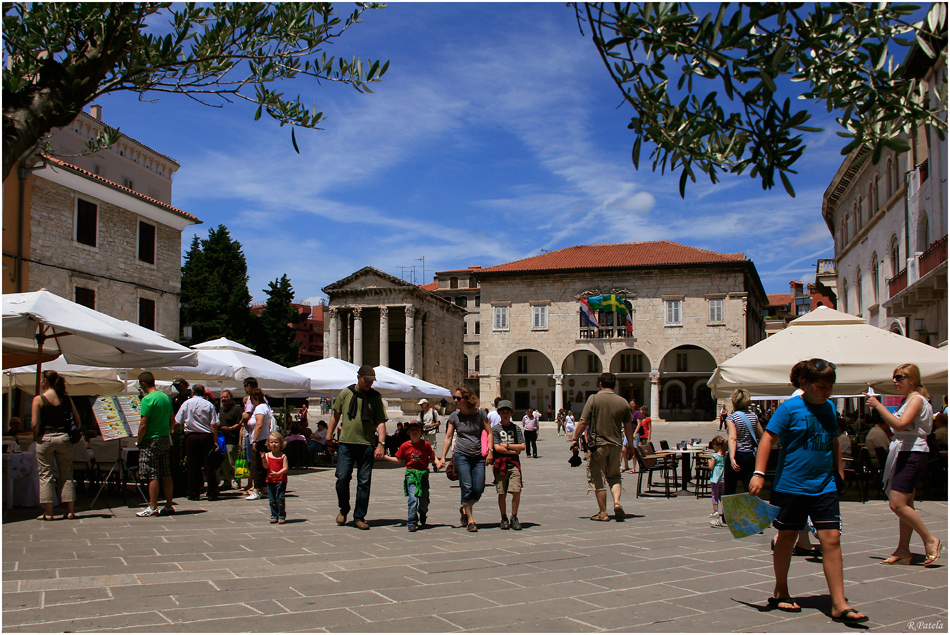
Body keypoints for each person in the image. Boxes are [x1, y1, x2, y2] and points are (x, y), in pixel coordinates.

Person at [749, 359, 868, 624]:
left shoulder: (828, 408)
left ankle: (839, 603)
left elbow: (833, 440)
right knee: (787, 536)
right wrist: (758, 472)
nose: (828, 391)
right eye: (822, 386)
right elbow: (768, 438)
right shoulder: (790, 408)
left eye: (830, 386)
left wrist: (839, 471)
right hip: (791, 484)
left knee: (832, 539)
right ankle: (781, 590)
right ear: (805, 384)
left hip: (823, 485)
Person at [865, 363, 942, 567]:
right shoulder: (908, 400)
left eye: (900, 378)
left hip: (913, 453)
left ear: (913, 380)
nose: (895, 381)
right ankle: (903, 549)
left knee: (897, 503)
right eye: (895, 377)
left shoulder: (916, 400)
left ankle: (930, 539)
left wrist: (879, 405)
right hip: (907, 452)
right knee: (906, 504)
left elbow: (900, 424)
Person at [328, 365, 388, 530]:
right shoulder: (346, 393)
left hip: (367, 445)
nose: (369, 383)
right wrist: (328, 436)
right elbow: (336, 415)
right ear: (358, 377)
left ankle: (359, 516)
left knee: (364, 482)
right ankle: (344, 508)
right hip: (346, 443)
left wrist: (381, 443)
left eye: (371, 381)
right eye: (366, 380)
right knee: (342, 478)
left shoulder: (375, 397)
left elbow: (381, 421)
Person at [571, 372, 634, 522]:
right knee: (614, 476)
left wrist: (575, 439)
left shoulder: (593, 399)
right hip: (616, 445)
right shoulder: (623, 402)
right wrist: (630, 446)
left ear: (600, 384)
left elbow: (583, 422)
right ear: (615, 385)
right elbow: (628, 427)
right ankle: (617, 503)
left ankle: (603, 512)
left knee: (597, 478)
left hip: (598, 445)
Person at [436, 386, 493, 532]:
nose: (455, 400)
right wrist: (443, 457)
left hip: (478, 455)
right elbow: (448, 437)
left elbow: (489, 432)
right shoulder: (454, 416)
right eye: (454, 398)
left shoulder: (480, 414)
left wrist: (491, 451)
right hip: (461, 455)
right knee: (466, 487)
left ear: (467, 399)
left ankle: (464, 508)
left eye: (458, 398)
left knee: (478, 488)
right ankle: (470, 520)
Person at [32, 370, 80, 521]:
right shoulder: (66, 399)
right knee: (67, 475)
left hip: (46, 438)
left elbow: (34, 423)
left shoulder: (39, 399)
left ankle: (48, 512)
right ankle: (70, 510)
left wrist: (36, 436)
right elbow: (77, 420)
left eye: (42, 379)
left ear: (45, 381)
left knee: (46, 475)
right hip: (64, 439)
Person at [136, 371, 176, 517]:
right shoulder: (166, 398)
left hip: (151, 438)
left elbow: (143, 425)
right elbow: (173, 421)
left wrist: (139, 440)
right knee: (166, 472)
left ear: (143, 384)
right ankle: (169, 505)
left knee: (152, 473)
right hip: (165, 437)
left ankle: (152, 506)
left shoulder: (147, 400)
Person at [382, 420, 435, 532]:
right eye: (412, 430)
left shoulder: (426, 444)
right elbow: (398, 459)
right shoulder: (405, 446)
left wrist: (438, 462)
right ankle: (412, 521)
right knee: (412, 499)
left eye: (417, 430)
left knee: (424, 499)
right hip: (411, 475)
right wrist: (384, 457)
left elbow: (433, 456)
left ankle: (423, 512)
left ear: (421, 432)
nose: (414, 432)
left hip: (423, 475)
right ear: (408, 433)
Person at [175, 384, 221, 501]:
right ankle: (212, 492)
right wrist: (215, 440)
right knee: (208, 465)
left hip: (191, 436)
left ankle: (193, 492)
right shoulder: (209, 404)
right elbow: (214, 424)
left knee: (192, 464)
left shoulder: (186, 403)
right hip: (206, 436)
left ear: (192, 393)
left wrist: (172, 431)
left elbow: (178, 421)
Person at [492, 400, 525, 530]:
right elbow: (496, 448)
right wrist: (513, 450)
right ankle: (504, 517)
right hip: (500, 464)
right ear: (499, 413)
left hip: (514, 464)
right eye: (502, 411)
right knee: (501, 492)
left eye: (507, 411)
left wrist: (506, 445)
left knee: (516, 490)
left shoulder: (516, 428)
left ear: (511, 413)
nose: (505, 414)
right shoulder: (495, 429)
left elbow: (522, 446)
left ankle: (514, 516)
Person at [724, 389, 762, 498]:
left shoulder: (732, 418)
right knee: (749, 488)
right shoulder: (754, 416)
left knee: (730, 489)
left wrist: (732, 458)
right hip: (750, 455)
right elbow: (762, 435)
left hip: (737, 453)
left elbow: (733, 438)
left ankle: (729, 514)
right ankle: (751, 511)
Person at [244, 388, 272, 501]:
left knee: (255, 465)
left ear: (255, 398)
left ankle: (256, 489)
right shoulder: (266, 406)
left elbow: (259, 424)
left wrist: (254, 440)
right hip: (263, 439)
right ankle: (264, 489)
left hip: (260, 440)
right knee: (262, 465)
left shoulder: (260, 407)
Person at [217, 390, 244, 491]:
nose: (223, 399)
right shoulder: (222, 409)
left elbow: (239, 424)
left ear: (230, 398)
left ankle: (237, 481)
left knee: (233, 462)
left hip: (232, 439)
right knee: (224, 463)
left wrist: (230, 428)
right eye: (222, 397)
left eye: (225, 397)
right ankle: (227, 481)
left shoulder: (236, 410)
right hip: (222, 440)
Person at [264, 432, 289, 524]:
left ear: (281, 444)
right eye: (271, 442)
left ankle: (281, 514)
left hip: (281, 481)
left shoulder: (283, 456)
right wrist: (263, 459)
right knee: (272, 500)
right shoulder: (267, 455)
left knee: (280, 498)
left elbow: (285, 468)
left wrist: (278, 473)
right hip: (270, 480)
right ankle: (274, 514)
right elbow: (265, 466)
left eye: (276, 442)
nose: (273, 444)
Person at [707, 436, 727, 525]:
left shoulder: (715, 456)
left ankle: (716, 511)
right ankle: (724, 510)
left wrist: (709, 462)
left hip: (715, 478)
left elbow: (711, 467)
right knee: (722, 495)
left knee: (715, 495)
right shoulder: (725, 455)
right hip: (723, 478)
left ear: (715, 445)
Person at [418, 398, 440, 466]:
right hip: (424, 434)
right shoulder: (421, 413)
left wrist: (431, 425)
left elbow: (438, 422)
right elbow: (418, 422)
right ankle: (425, 465)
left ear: (426, 404)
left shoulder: (433, 412)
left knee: (432, 451)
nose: (421, 406)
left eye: (422, 404)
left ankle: (434, 463)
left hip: (431, 433)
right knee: (423, 451)